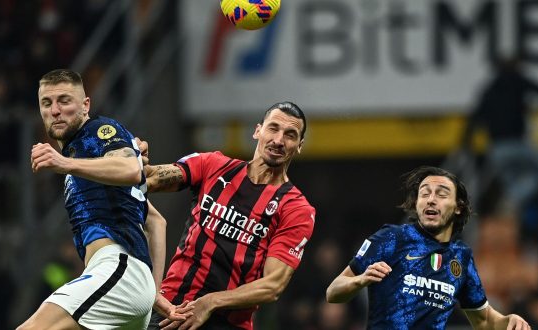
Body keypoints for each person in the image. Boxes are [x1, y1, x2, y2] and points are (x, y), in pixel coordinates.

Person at [20, 69, 192, 329]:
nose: (55, 110)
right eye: (47, 103)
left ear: (86, 104)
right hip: (125, 280)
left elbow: (132, 170)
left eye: (64, 101)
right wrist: (154, 292)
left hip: (118, 268)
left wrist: (64, 163)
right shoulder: (87, 159)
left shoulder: (99, 131)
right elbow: (157, 222)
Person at [140, 101, 316, 329]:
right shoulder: (213, 165)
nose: (279, 140)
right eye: (273, 128)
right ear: (257, 131)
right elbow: (149, 178)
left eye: (290, 135)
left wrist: (211, 302)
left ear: (299, 145)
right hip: (172, 311)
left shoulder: (296, 208)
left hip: (227, 324)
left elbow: (273, 285)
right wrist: (132, 156)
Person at [325, 166, 531, 329]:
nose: (431, 199)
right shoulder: (391, 238)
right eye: (425, 194)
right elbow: (333, 292)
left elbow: (484, 321)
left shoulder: (461, 257)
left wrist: (509, 320)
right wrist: (361, 280)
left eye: (441, 194)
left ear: (458, 207)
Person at [461, 56, 538, 211]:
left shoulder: (489, 90)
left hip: (497, 149)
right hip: (518, 144)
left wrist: (466, 142)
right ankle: (521, 202)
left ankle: (515, 205)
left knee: (512, 183)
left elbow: (475, 118)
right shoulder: (517, 81)